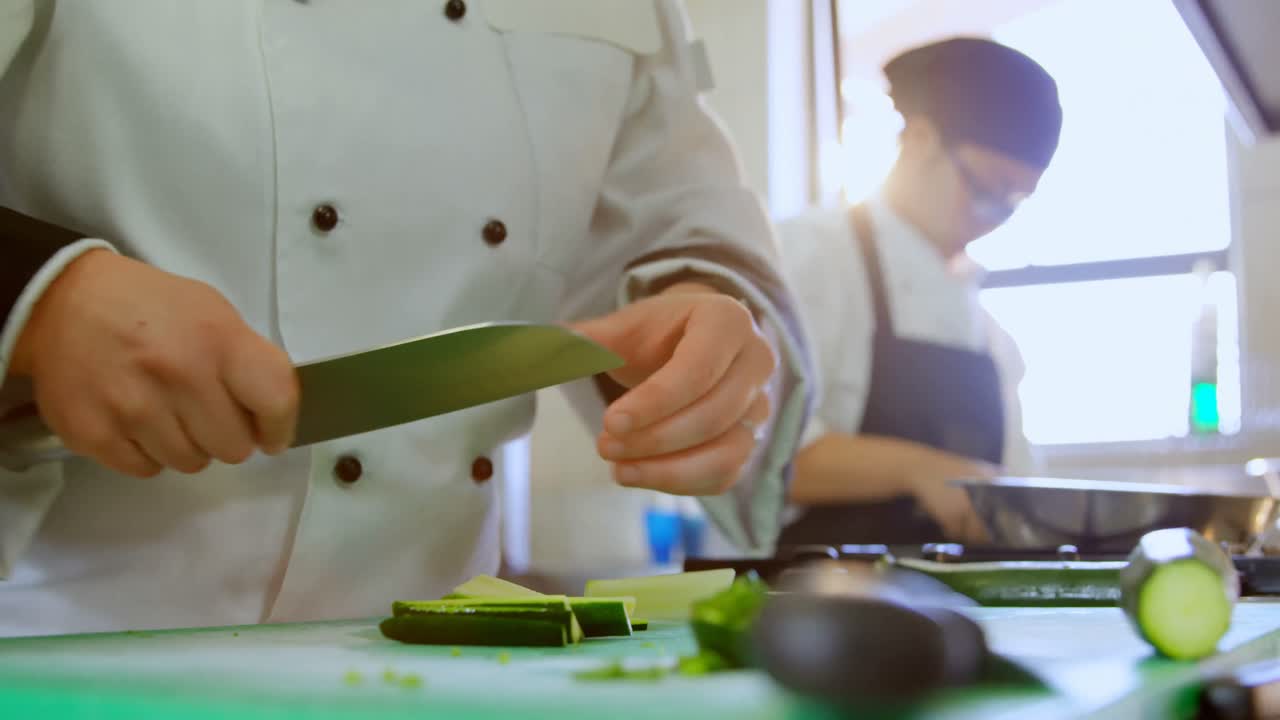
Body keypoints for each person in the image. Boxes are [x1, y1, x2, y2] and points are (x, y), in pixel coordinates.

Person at [0, 0, 813, 636]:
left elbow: (683, 221)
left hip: (439, 647)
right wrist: (42, 299)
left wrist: (701, 331)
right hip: (69, 641)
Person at [776, 37, 1062, 547]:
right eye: (984, 189)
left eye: (1013, 203)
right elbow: (764, 459)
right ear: (921, 140)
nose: (992, 218)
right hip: (820, 607)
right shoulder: (814, 254)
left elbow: (1012, 488)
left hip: (962, 612)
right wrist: (922, 471)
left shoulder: (989, 331)